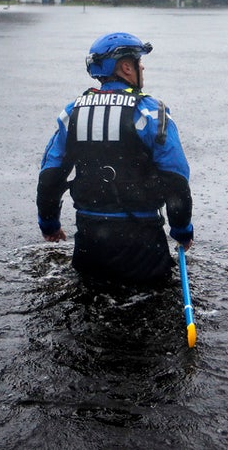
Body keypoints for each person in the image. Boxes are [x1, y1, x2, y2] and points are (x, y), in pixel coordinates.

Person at [37, 32, 194, 287]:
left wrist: (50, 225)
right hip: (142, 245)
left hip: (90, 242)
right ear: (125, 67)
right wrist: (182, 231)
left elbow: (49, 177)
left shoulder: (73, 113)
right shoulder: (150, 112)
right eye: (138, 61)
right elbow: (176, 180)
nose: (142, 66)